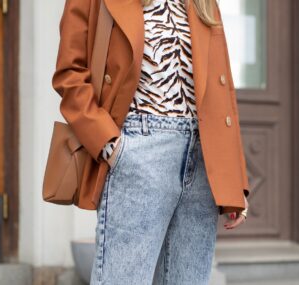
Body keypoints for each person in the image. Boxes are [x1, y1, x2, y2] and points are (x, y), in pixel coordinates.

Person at [52, 0, 250, 284]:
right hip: (139, 152)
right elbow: (70, 74)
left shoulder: (204, 3)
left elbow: (222, 88)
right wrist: (111, 146)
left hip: (204, 162)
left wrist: (234, 177)